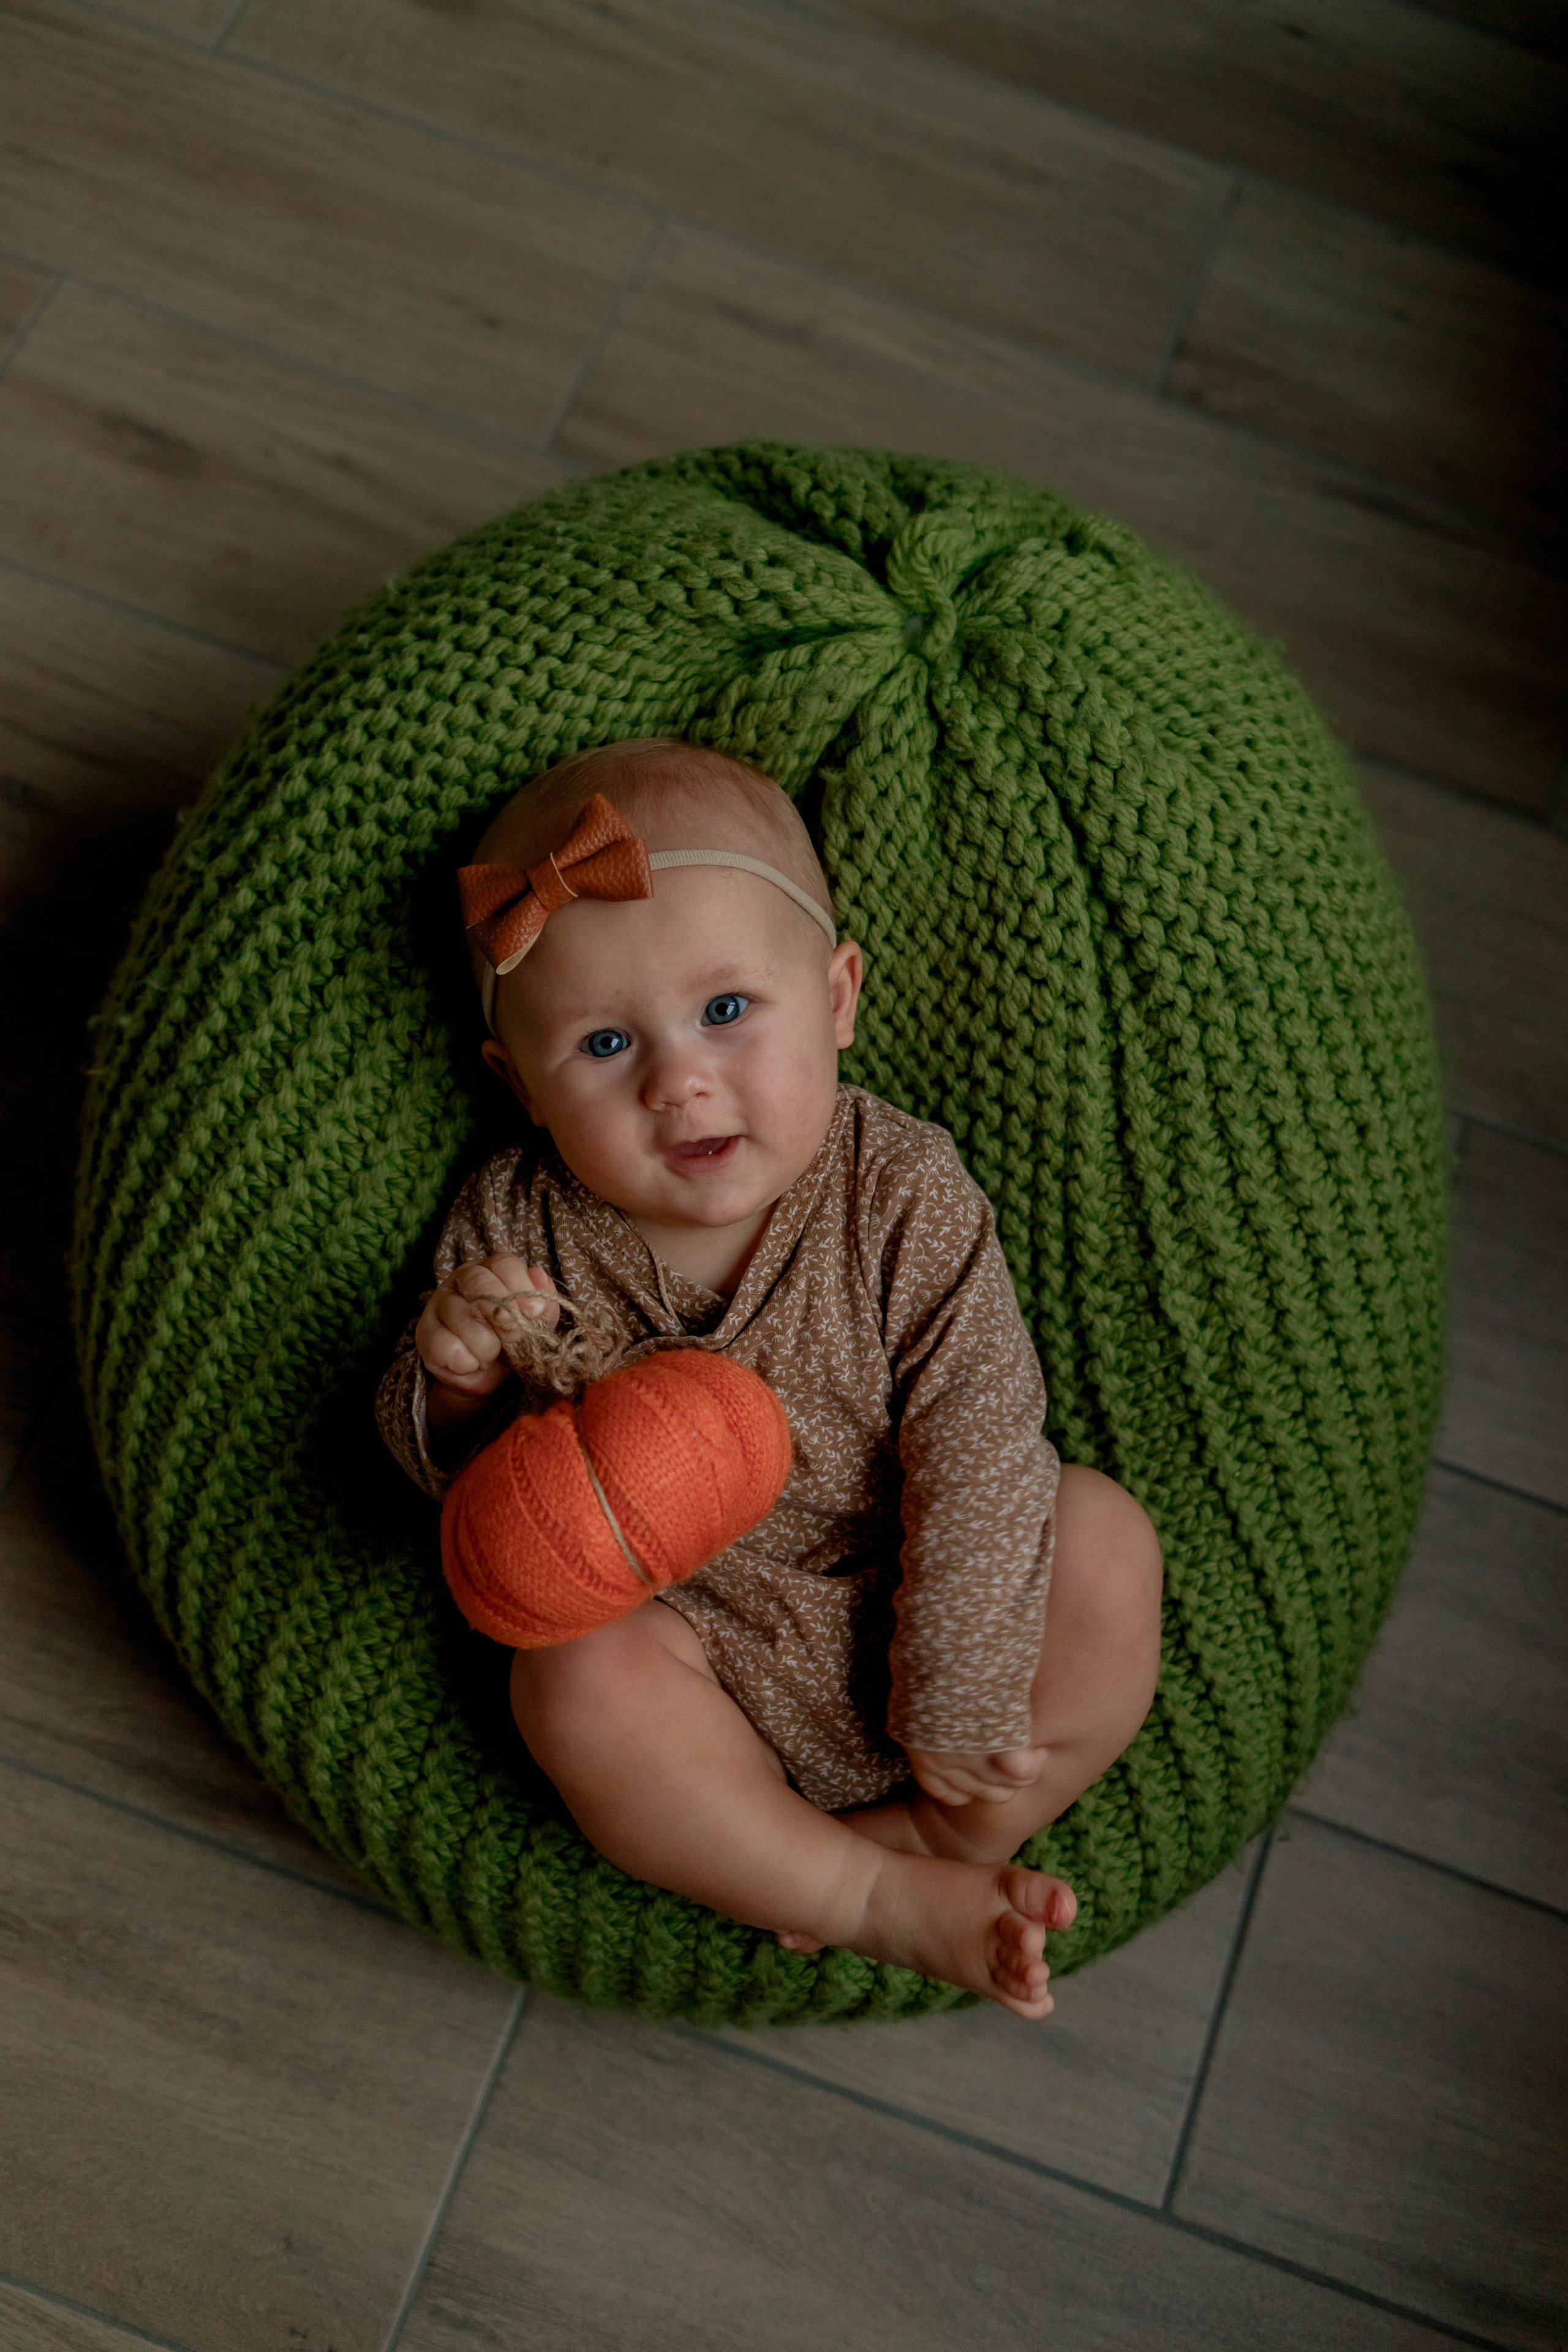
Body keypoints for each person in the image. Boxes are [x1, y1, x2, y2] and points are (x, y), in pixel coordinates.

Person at [377, 738, 1163, 2017]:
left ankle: (947, 1841)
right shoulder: (516, 1228)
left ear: (838, 996)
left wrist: (957, 1692)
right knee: (570, 1678)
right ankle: (854, 1896)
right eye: (603, 1042)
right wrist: (455, 1382)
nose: (677, 1079)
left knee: (1103, 1541)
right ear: (515, 1082)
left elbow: (980, 1435)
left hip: (927, 1606)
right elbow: (488, 1520)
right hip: (701, 1655)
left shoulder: (901, 1189)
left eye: (727, 1012)